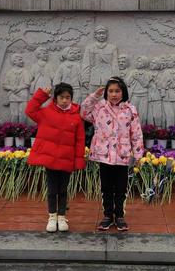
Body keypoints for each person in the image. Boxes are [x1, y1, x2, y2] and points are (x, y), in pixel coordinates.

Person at [81, 76, 144, 231]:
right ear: (106, 93)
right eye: (111, 91)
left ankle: (120, 216)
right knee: (106, 188)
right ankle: (108, 215)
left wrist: (137, 155)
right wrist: (94, 96)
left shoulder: (130, 110)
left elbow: (136, 133)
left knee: (121, 188)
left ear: (123, 92)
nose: (114, 94)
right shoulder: (99, 108)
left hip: (122, 155)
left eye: (117, 91)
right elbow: (83, 112)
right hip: (104, 155)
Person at [25, 83, 86, 233]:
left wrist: (79, 161)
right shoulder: (46, 112)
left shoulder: (76, 116)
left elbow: (80, 140)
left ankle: (61, 216)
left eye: (68, 97)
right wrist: (41, 95)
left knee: (63, 190)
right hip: (50, 160)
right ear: (55, 98)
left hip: (67, 160)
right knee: (52, 190)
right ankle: (52, 216)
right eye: (61, 97)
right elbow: (30, 110)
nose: (65, 100)